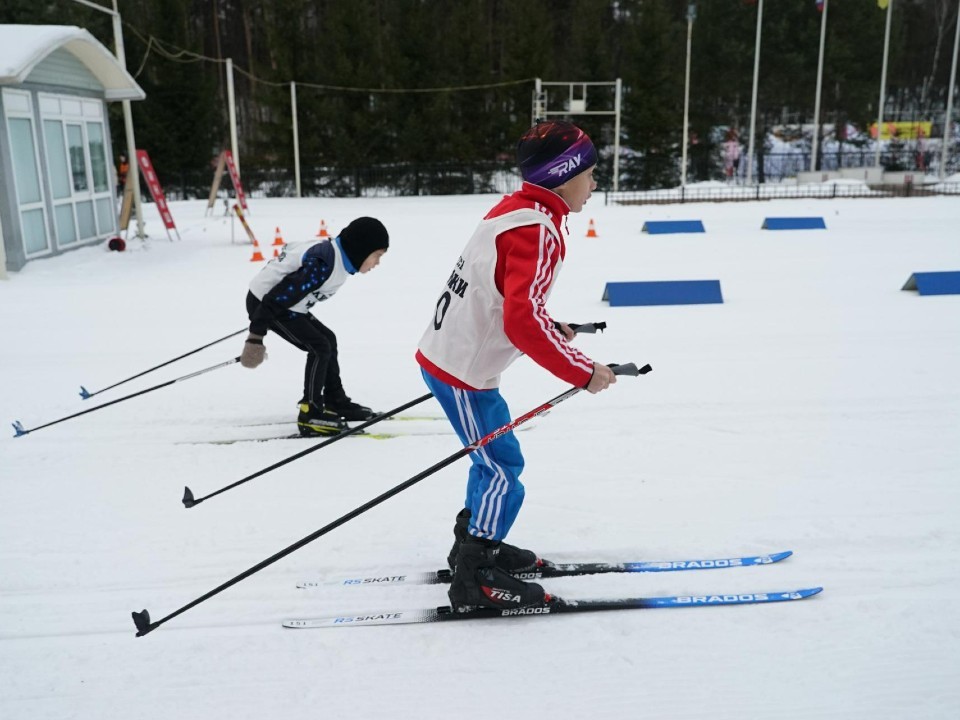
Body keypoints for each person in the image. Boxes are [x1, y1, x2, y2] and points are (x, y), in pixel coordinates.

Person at [416, 120, 617, 612]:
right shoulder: (538, 228)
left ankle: (479, 542)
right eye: (589, 174)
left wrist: (552, 325)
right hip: (462, 371)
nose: (595, 184)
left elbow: (511, 300)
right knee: (502, 468)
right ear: (564, 174)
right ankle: (478, 573)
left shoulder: (516, 211)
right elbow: (522, 319)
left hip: (458, 362)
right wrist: (583, 370)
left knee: (492, 461)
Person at [240, 217, 389, 436]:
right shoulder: (323, 264)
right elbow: (276, 298)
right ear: (361, 248)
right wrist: (255, 337)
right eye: (377, 255)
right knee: (319, 346)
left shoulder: (337, 258)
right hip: (268, 304)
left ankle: (334, 400)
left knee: (328, 339)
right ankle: (311, 411)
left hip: (286, 304)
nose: (377, 263)